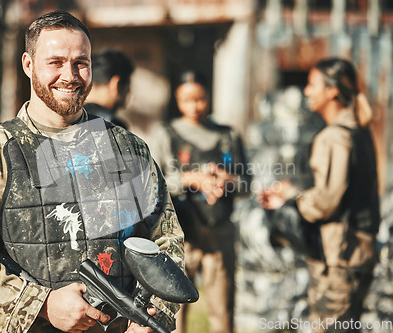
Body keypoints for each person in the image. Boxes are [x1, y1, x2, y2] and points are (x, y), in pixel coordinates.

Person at [0, 11, 184, 333]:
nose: (70, 75)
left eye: (81, 62)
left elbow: (166, 239)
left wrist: (152, 315)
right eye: (56, 62)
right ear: (28, 65)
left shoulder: (129, 150)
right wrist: (41, 305)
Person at [258, 58, 380, 332]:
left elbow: (324, 203)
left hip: (339, 257)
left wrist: (290, 198)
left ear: (332, 91)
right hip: (359, 251)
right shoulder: (359, 131)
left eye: (312, 85)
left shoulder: (334, 137)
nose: (307, 92)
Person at [151, 71, 250, 333]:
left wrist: (226, 180)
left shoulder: (228, 135)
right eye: (187, 100)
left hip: (219, 233)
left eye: (200, 99)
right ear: (177, 99)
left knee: (222, 308)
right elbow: (154, 183)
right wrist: (189, 179)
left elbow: (246, 185)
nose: (194, 106)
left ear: (209, 97)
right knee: (175, 310)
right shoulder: (166, 134)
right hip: (181, 236)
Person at [83, 48, 134, 129]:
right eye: (127, 90)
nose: (129, 95)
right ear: (115, 85)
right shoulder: (112, 126)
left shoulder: (67, 120)